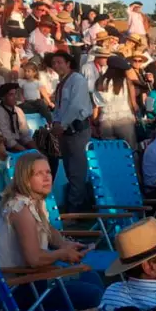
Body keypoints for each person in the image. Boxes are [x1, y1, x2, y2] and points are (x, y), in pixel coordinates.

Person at [0, 152, 105, 311]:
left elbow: (49, 230)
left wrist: (64, 244)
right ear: (25, 179)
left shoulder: (35, 201)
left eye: (48, 172)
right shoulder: (20, 209)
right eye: (39, 174)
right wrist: (62, 254)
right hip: (17, 287)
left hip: (32, 279)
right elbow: (34, 259)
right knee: (93, 295)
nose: (47, 177)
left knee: (91, 277)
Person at [49, 51, 92, 211]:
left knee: (77, 171)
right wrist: (56, 122)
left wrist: (62, 124)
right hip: (66, 131)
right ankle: (76, 206)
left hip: (77, 129)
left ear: (68, 63)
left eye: (59, 62)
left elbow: (76, 106)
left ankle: (76, 208)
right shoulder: (62, 83)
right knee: (69, 169)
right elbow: (60, 107)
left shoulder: (77, 80)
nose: (56, 66)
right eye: (54, 63)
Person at [94, 56, 137, 148]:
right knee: (129, 150)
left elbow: (97, 105)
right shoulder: (126, 81)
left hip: (105, 121)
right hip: (124, 119)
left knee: (111, 152)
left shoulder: (99, 82)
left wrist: (95, 122)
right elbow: (134, 104)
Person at [0, 83, 37, 153]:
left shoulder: (18, 110)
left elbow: (25, 134)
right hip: (7, 148)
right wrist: (26, 152)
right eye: (11, 95)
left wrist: (36, 150)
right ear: (3, 97)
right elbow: (8, 140)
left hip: (19, 142)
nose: (15, 97)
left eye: (15, 94)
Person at [19, 61, 53, 125]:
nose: (26, 73)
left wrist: (49, 102)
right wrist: (22, 101)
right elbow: (21, 93)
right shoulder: (22, 82)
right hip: (28, 102)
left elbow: (43, 92)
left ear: (34, 72)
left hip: (37, 101)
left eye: (28, 71)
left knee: (41, 104)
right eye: (25, 71)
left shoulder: (37, 82)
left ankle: (51, 123)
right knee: (19, 108)